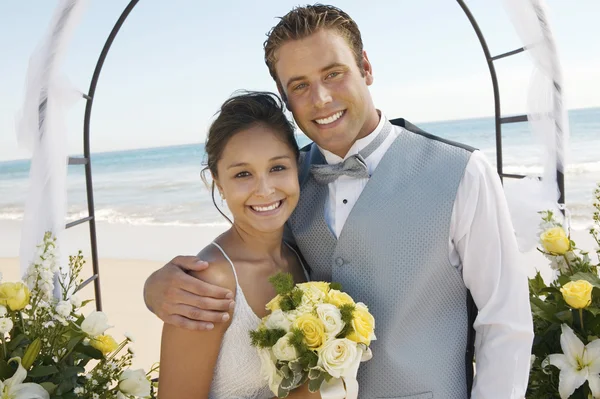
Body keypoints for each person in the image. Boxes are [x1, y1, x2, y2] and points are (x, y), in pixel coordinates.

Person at [146, 5, 534, 398]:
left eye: (333, 73)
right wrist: (157, 287)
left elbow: (505, 321)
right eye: (299, 86)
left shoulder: (463, 171)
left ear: (365, 67)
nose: (321, 98)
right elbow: (244, 251)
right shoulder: (285, 178)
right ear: (287, 98)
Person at [157, 91, 319, 398]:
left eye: (277, 167)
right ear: (219, 183)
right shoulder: (209, 283)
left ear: (296, 167)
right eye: (243, 174)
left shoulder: (300, 256)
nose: (265, 189)